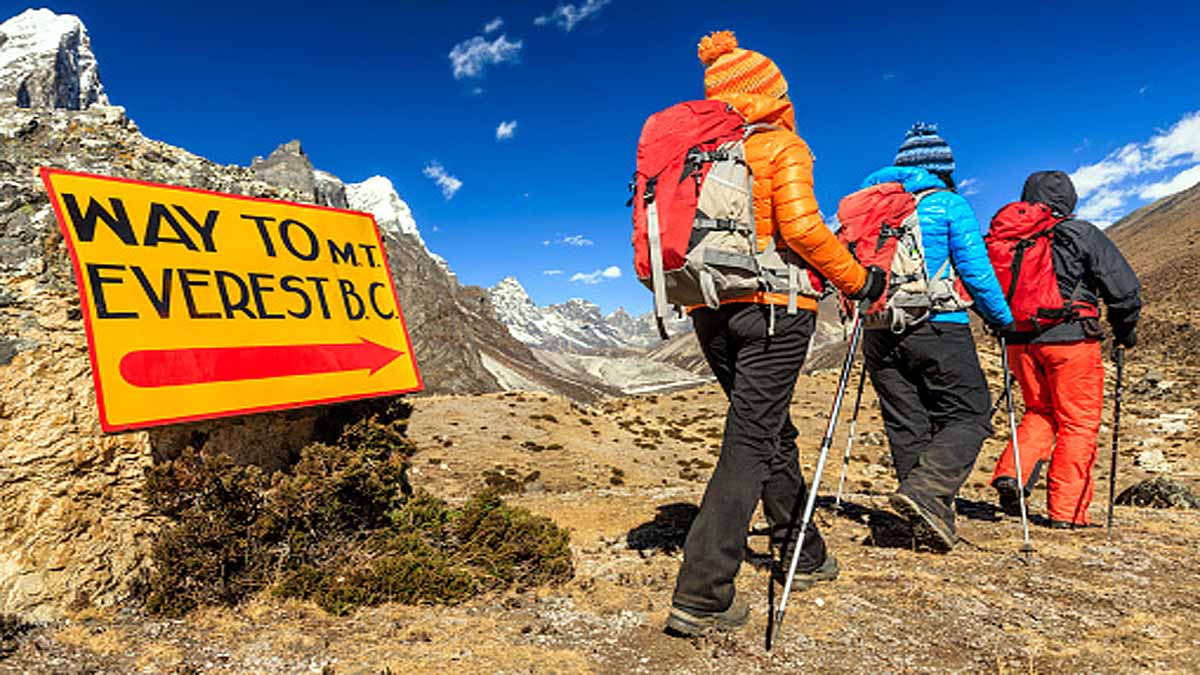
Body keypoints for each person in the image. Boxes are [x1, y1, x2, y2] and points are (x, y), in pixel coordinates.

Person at [665, 30, 886, 637]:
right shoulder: (780, 146)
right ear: (770, 94)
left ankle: (802, 552)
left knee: (767, 429)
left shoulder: (697, 155)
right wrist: (859, 279)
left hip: (709, 308)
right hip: (774, 309)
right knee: (752, 437)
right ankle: (703, 591)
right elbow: (803, 229)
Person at [857, 123, 1014, 553]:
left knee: (907, 423)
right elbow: (976, 272)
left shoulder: (870, 206)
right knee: (970, 414)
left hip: (878, 328)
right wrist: (1001, 319)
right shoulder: (947, 203)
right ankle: (927, 493)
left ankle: (928, 520)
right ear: (943, 169)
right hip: (936, 324)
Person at [990, 171, 1141, 528]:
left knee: (1039, 410)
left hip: (1019, 341)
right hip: (1071, 340)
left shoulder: (1010, 236)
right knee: (1078, 423)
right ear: (1069, 200)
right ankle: (1067, 513)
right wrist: (1125, 333)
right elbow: (1123, 290)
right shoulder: (1079, 232)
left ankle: (1012, 472)